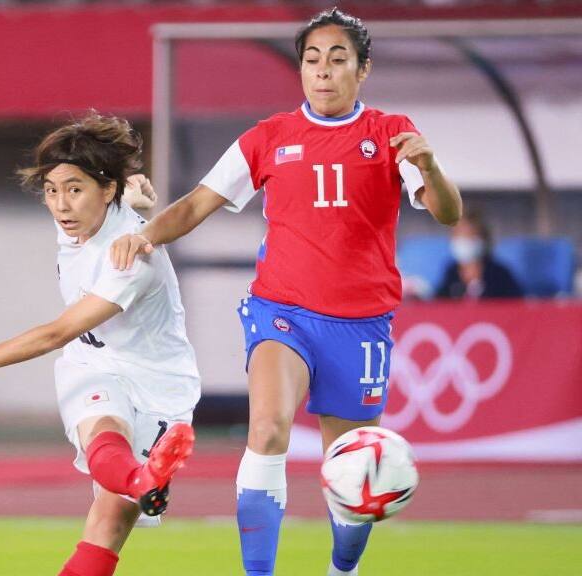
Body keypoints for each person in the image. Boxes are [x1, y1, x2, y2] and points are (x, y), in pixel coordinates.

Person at [111, 8, 461, 576]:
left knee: (352, 469)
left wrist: (430, 166)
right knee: (268, 427)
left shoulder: (391, 132)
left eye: (338, 59)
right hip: (283, 311)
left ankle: (342, 569)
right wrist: (145, 235)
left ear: (362, 69)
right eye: (312, 59)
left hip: (362, 324)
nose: (323, 71)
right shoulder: (269, 137)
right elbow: (199, 202)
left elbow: (448, 213)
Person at [0, 113, 199, 576]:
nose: (60, 205)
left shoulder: (132, 259)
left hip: (159, 385)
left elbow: (56, 333)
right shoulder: (85, 218)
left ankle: (138, 481)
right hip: (93, 366)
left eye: (74, 189)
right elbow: (109, 204)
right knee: (103, 427)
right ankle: (141, 479)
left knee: (107, 525)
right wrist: (131, 197)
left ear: (105, 190)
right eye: (52, 190)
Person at [436, 208, 523, 299]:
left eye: (471, 235)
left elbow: (517, 304)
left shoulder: (499, 273)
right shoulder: (451, 272)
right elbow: (438, 303)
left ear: (484, 239)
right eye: (460, 235)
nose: (465, 241)